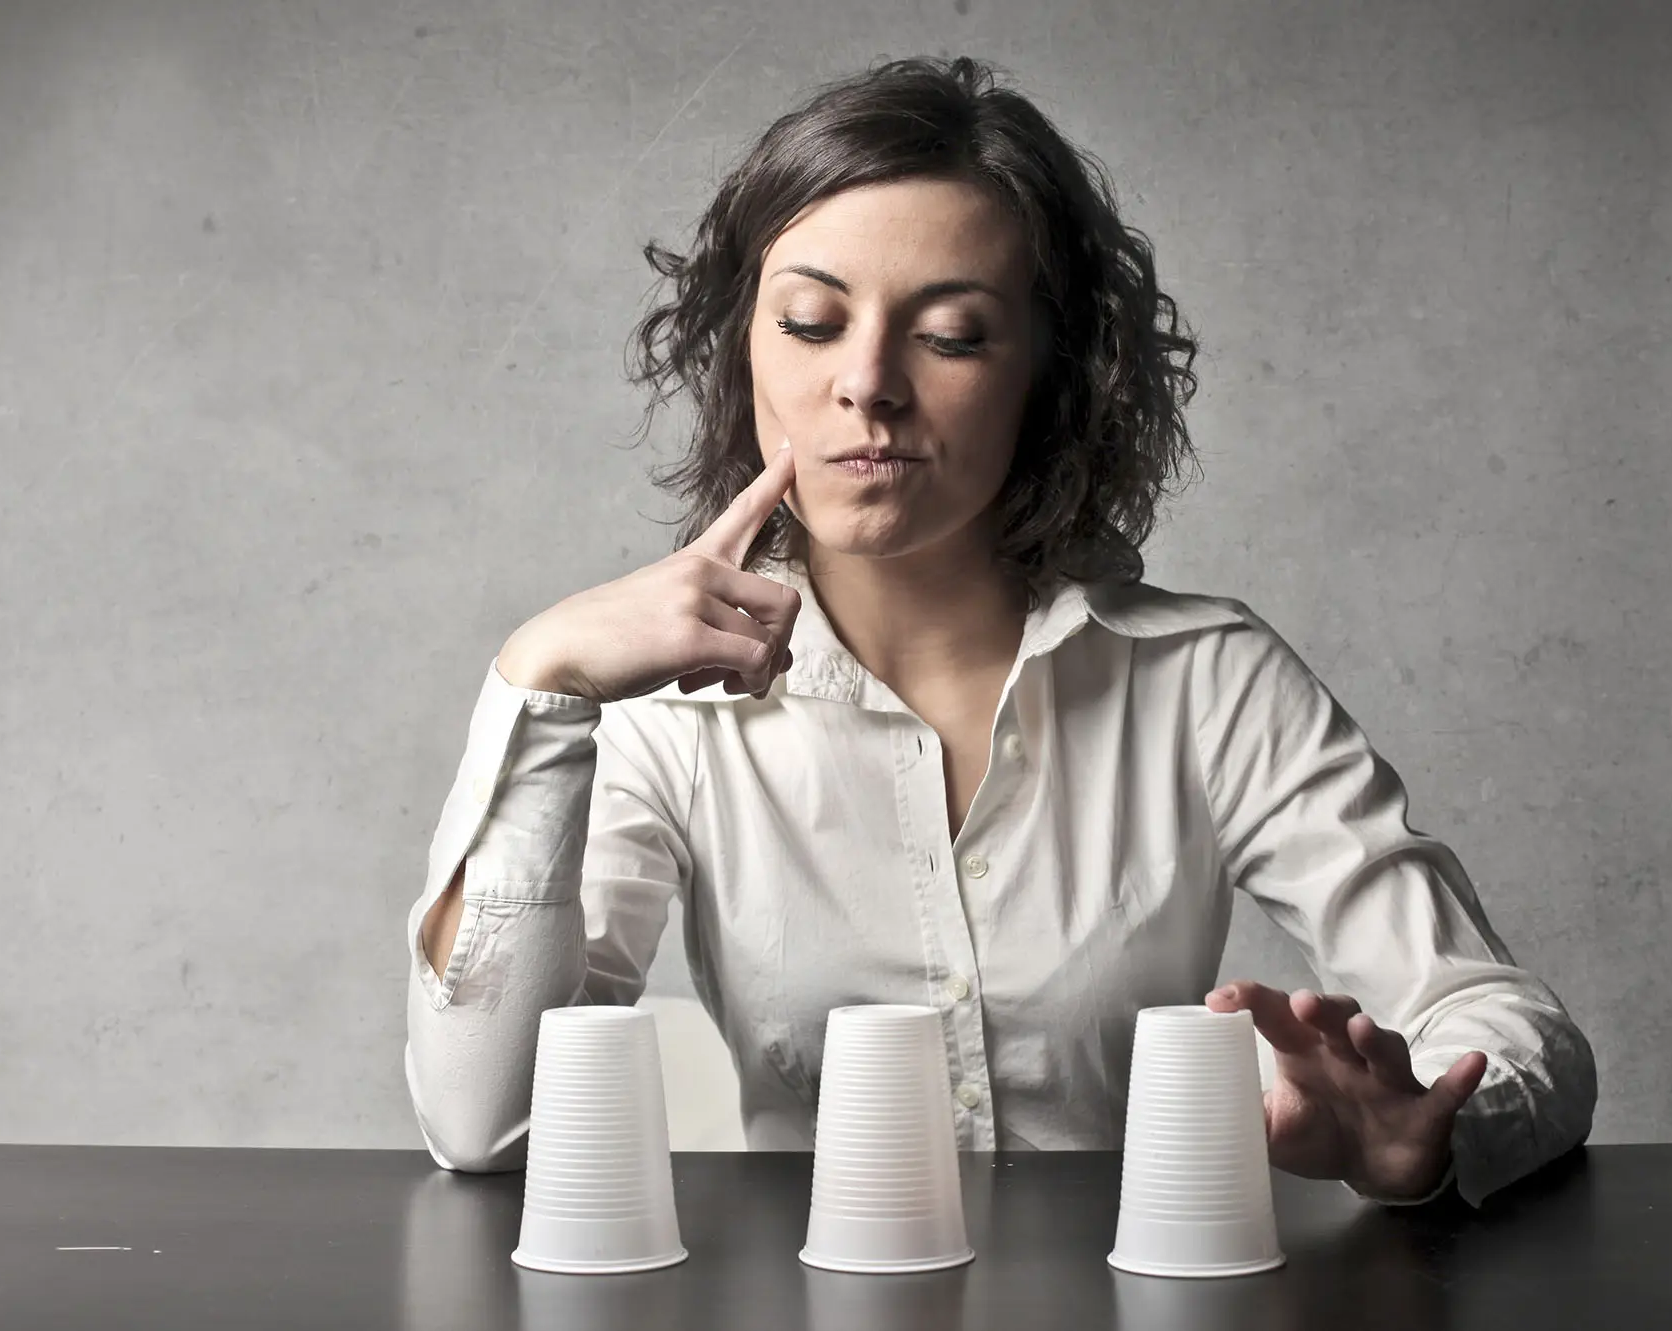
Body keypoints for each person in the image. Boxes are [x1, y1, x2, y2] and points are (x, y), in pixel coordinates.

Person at [403, 54, 1596, 1209]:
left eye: (953, 334)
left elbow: (1508, 1025)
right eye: (812, 322)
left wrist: (1426, 1135)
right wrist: (540, 679)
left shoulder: (1204, 680)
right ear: (745, 352)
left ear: (1053, 374)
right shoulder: (667, 718)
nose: (867, 382)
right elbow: (484, 1122)